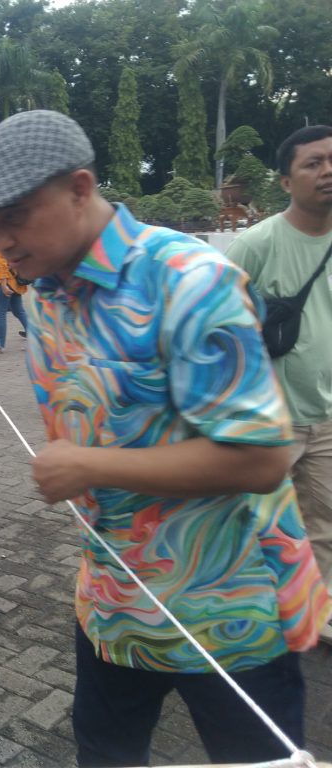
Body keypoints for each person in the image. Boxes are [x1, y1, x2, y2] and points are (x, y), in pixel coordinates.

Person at [0, 110, 331, 767]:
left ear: (80, 187)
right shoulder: (47, 295)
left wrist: (88, 465)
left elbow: (262, 457)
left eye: (15, 216)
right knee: (104, 753)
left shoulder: (188, 278)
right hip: (114, 600)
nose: (1, 240)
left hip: (228, 604)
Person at [226, 124, 332, 644]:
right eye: (313, 163)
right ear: (286, 181)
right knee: (254, 520)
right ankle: (254, 611)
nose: (328, 171)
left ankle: (319, 613)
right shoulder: (256, 243)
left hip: (328, 417)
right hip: (269, 420)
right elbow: (214, 322)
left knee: (327, 522)